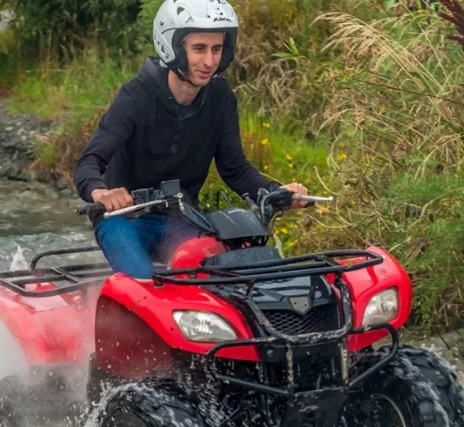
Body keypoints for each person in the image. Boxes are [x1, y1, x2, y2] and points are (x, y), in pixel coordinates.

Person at [72, 0, 308, 279]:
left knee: (226, 279)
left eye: (217, 49)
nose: (209, 61)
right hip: (122, 220)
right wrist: (102, 192)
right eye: (199, 48)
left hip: (181, 219)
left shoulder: (221, 97)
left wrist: (275, 192)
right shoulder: (136, 96)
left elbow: (235, 169)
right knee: (148, 287)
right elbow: (88, 163)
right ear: (172, 47)